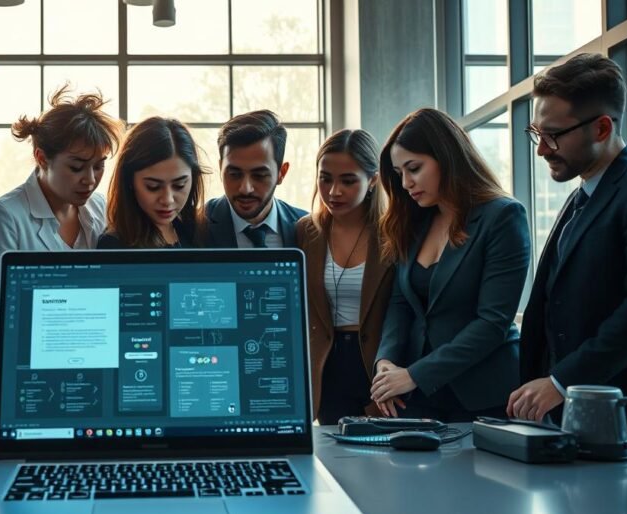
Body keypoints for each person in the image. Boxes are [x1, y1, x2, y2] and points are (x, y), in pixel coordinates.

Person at [509, 53, 627, 457]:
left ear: (602, 127)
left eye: (552, 135)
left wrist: (559, 382)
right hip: (566, 417)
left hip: (617, 417)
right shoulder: (581, 196)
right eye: (535, 133)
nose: (541, 150)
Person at [370, 108, 531, 422]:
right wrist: (386, 362)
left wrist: (415, 374)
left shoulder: (503, 217)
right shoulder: (415, 221)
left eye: (414, 168)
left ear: (447, 157)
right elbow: (401, 303)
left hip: (484, 396)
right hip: (416, 398)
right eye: (399, 172)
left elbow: (492, 323)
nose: (405, 183)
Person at [0, 85, 122, 356]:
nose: (90, 179)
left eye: (99, 165)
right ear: (42, 158)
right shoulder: (5, 217)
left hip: (91, 351)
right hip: (27, 357)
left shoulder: (99, 207)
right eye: (76, 167)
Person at [297, 129, 394, 424]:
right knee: (332, 458)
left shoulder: (393, 232)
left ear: (373, 180)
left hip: (378, 365)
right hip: (327, 366)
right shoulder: (306, 232)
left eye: (348, 181)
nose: (334, 191)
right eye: (325, 178)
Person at [97, 117, 206, 249]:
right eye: (153, 187)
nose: (167, 200)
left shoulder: (198, 230)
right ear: (129, 181)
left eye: (179, 186)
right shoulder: (114, 244)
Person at [204, 110, 307, 248]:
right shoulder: (194, 226)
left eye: (259, 175)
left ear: (281, 173)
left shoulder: (308, 229)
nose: (245, 189)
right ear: (220, 168)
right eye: (234, 174)